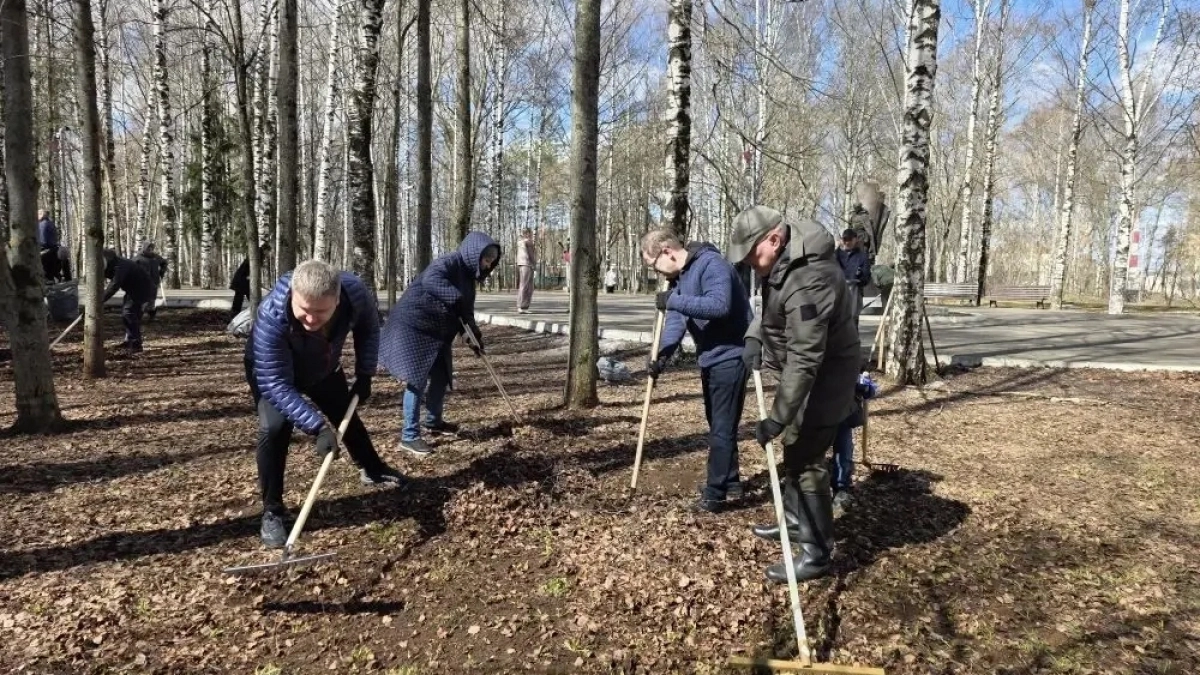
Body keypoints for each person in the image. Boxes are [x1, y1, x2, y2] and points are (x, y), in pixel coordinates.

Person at [725, 205, 861, 583]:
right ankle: (794, 522)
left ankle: (816, 553)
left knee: (806, 456)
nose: (752, 263)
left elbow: (806, 357)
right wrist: (755, 337)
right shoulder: (785, 260)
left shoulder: (810, 278)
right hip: (804, 372)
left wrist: (778, 417)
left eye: (753, 254)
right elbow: (771, 306)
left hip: (826, 376)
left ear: (773, 238)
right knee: (796, 449)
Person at [245, 259, 404, 548]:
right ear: (293, 294)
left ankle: (372, 468)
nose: (311, 320)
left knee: (346, 412)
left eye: (321, 312)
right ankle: (272, 512)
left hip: (322, 363)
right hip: (274, 371)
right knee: (274, 429)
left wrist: (365, 373)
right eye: (304, 311)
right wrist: (317, 428)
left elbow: (369, 329)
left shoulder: (355, 293)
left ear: (338, 299)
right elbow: (276, 384)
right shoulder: (271, 316)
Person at [643, 229, 752, 513]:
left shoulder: (712, 264)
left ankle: (715, 494)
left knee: (722, 427)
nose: (657, 273)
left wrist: (673, 301)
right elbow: (677, 323)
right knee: (719, 424)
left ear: (667, 251)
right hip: (710, 357)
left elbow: (719, 305)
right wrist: (662, 356)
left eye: (654, 265)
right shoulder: (680, 278)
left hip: (732, 354)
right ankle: (730, 482)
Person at [380, 232, 502, 457]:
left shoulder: (470, 281)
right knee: (416, 379)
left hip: (438, 333)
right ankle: (409, 436)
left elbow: (466, 313)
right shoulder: (448, 262)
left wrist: (473, 337)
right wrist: (456, 300)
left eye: (491, 262)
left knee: (441, 376)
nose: (487, 265)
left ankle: (434, 421)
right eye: (486, 259)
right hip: (413, 327)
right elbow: (431, 281)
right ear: (474, 253)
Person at [829, 373, 877, 513]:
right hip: (818, 407)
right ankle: (810, 492)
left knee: (844, 449)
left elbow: (856, 377)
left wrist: (865, 387)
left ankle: (841, 488)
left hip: (843, 410)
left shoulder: (848, 356)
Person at [101, 249, 156, 353]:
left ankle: (136, 344)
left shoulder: (121, 266)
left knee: (128, 313)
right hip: (132, 290)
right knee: (129, 315)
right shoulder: (113, 264)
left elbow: (114, 285)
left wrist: (100, 300)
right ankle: (129, 340)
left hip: (143, 289)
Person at [849, 180, 891, 265]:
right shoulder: (854, 216)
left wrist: (872, 250)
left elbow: (871, 232)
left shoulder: (865, 216)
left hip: (864, 244)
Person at [837, 229, 871, 327]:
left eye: (850, 239)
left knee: (852, 327)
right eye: (845, 239)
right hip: (839, 297)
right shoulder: (836, 255)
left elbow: (866, 279)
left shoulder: (862, 256)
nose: (847, 242)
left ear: (855, 239)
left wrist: (858, 279)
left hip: (854, 297)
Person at [230, 244, 270, 318]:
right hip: (242, 279)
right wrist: (251, 276)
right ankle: (257, 312)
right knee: (245, 296)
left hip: (243, 279)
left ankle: (235, 313)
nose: (268, 254)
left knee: (243, 297)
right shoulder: (258, 256)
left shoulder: (257, 254)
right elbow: (250, 267)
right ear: (265, 250)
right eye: (268, 252)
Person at [134, 242, 168, 320]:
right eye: (148, 248)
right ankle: (139, 316)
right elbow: (131, 266)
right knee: (143, 300)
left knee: (152, 300)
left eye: (152, 248)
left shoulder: (156, 257)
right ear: (144, 248)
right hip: (142, 282)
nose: (150, 250)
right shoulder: (138, 258)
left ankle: (151, 316)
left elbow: (164, 263)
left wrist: (161, 272)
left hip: (154, 281)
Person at [37, 209, 61, 283]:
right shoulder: (51, 223)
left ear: (41, 215)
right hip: (53, 251)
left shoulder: (42, 225)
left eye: (38, 214)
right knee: (51, 275)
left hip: (45, 252)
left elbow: (42, 241)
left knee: (46, 277)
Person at [516, 229, 536, 314]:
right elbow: (529, 254)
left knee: (529, 286)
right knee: (525, 285)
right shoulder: (526, 242)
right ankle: (521, 306)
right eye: (531, 233)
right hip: (526, 264)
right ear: (527, 234)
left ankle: (524, 306)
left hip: (526, 264)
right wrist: (533, 263)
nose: (532, 235)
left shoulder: (525, 242)